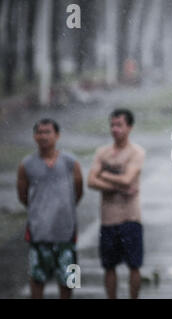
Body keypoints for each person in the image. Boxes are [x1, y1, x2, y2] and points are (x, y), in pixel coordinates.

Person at [16, 118, 83, 299]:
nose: (44, 136)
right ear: (34, 136)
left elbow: (78, 192)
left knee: (70, 280)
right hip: (39, 233)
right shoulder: (26, 165)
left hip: (67, 233)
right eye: (40, 132)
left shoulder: (71, 162)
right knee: (37, 278)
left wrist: (63, 209)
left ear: (57, 135)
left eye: (48, 132)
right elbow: (23, 196)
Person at [87, 109, 146, 299]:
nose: (115, 129)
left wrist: (103, 174)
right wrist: (117, 186)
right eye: (112, 125)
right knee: (109, 266)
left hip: (130, 217)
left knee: (134, 265)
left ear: (129, 127)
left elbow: (128, 179)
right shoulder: (102, 152)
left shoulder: (137, 152)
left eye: (119, 125)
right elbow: (90, 181)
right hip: (108, 218)